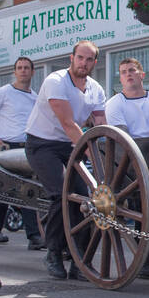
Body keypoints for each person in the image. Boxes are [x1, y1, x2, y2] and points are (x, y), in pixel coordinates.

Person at [23, 41, 107, 280]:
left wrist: (104, 154)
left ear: (94, 63)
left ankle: (79, 257)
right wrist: (92, 155)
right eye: (80, 58)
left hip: (72, 145)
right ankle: (53, 253)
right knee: (61, 194)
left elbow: (100, 123)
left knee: (87, 199)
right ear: (72, 58)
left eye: (89, 60)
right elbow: (68, 124)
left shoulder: (95, 88)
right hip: (42, 144)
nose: (84, 63)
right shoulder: (56, 81)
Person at [103, 57, 149, 279]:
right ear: (121, 78)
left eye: (132, 70)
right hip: (127, 162)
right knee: (144, 210)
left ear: (142, 75)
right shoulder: (115, 103)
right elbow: (122, 137)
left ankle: (147, 257)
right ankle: (142, 256)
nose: (128, 74)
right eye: (123, 72)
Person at [0, 56, 43, 250]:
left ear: (32, 72)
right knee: (2, 193)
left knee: (30, 190)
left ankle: (34, 236)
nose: (23, 71)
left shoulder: (35, 96)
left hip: (28, 146)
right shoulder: (3, 92)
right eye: (19, 68)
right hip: (6, 147)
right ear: (15, 72)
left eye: (26, 68)